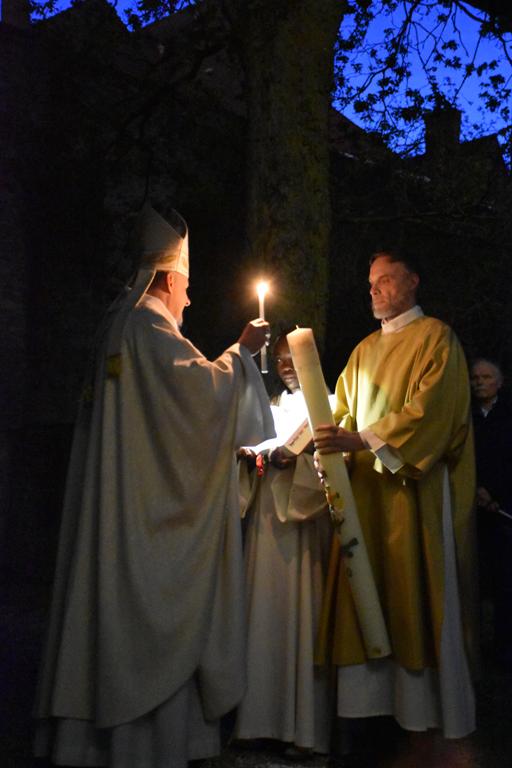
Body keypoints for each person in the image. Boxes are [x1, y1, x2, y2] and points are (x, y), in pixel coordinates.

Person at [33, 203, 274, 768]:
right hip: (146, 511)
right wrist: (242, 353)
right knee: (153, 613)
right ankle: (149, 747)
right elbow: (197, 401)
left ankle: (93, 744)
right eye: (186, 287)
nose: (189, 300)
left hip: (121, 501)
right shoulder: (148, 327)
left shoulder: (119, 324)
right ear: (168, 278)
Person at [314, 249, 477, 743]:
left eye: (385, 280)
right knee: (369, 596)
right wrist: (309, 446)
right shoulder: (363, 350)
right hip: (365, 496)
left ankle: (421, 715)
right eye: (370, 284)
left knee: (413, 591)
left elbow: (435, 413)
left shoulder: (438, 339)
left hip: (413, 494)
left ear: (412, 281)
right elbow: (337, 412)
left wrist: (360, 440)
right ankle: (367, 718)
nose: (375, 290)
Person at [233, 334, 333, 755]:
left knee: (301, 616)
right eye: (279, 359)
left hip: (303, 522)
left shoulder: (328, 402)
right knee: (264, 615)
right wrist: (251, 455)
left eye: (293, 359)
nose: (287, 366)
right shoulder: (269, 405)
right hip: (267, 521)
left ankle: (305, 729)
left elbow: (337, 461)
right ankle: (257, 721)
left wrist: (302, 459)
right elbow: (257, 442)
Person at [470, 358, 512, 671]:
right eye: (476, 378)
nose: (479, 382)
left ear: (499, 382)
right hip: (475, 507)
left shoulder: (507, 415)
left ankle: (502, 648)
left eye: (486, 377)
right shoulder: (467, 417)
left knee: (504, 582)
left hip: (502, 510)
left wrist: (496, 494)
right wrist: (476, 489)